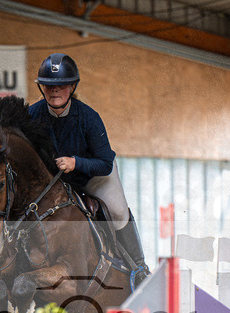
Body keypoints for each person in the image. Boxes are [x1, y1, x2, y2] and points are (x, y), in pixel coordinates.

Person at [28, 53, 150, 283]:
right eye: (49, 86)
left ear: (72, 86)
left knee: (116, 210)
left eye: (61, 85)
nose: (54, 91)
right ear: (41, 88)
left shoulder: (89, 117)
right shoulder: (31, 116)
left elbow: (104, 163)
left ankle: (139, 267)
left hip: (93, 175)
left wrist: (76, 163)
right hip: (54, 183)